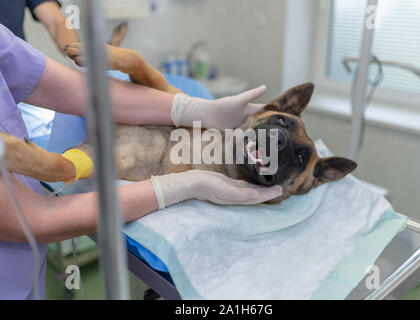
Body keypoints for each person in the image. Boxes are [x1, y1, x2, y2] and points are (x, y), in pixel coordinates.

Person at [0, 24, 282, 299]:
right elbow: (28, 218)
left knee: (77, 163)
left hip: (122, 151)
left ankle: (50, 166)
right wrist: (130, 62)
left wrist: (198, 110)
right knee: (74, 163)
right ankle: (50, 166)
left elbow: (65, 89)